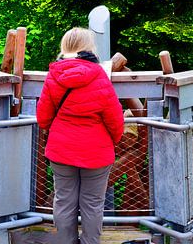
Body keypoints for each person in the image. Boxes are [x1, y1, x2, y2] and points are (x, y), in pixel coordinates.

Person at [36, 27, 124, 244]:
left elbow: (43, 118)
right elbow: (116, 121)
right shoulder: (100, 77)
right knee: (93, 203)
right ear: (89, 48)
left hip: (61, 150)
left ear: (64, 47)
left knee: (64, 201)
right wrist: (108, 142)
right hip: (96, 153)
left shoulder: (53, 76)